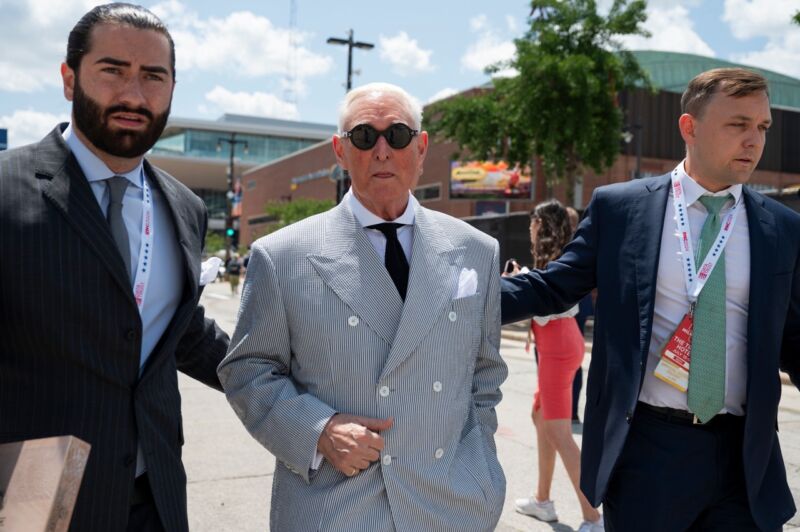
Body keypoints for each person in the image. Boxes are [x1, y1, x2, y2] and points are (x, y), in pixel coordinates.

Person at [501, 67, 800, 531]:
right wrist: (458, 295)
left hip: (747, 460)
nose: (754, 141)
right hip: (648, 452)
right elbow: (554, 286)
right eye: (737, 124)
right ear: (689, 127)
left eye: (761, 127)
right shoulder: (621, 208)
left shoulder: (782, 228)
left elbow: (794, 336)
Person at [218, 82, 508, 531]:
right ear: (339, 150)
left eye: (396, 135)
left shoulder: (476, 251)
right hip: (336, 506)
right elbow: (248, 370)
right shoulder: (282, 255)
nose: (381, 150)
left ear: (421, 146)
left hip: (452, 504)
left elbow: (485, 372)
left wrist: (480, 463)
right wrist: (319, 431)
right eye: (363, 137)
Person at [0, 4, 229, 531]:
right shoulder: (8, 189)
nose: (133, 94)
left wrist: (294, 378)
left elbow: (181, 332)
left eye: (153, 76)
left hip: (154, 491)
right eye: (113, 70)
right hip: (33, 490)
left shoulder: (184, 207)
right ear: (68, 77)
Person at [513, 201, 603, 531]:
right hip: (560, 347)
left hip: (558, 350)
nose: (530, 229)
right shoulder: (555, 258)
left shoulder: (557, 261)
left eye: (534, 223)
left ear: (544, 226)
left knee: (560, 433)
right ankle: (543, 500)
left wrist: (520, 281)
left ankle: (593, 517)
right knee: (541, 418)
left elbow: (549, 308)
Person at [566, 206, 593, 423]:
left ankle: (569, 409)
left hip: (571, 309)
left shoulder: (569, 247)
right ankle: (572, 410)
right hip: (581, 307)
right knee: (575, 362)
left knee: (571, 363)